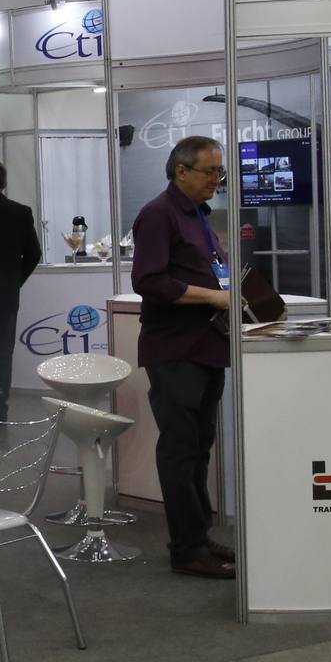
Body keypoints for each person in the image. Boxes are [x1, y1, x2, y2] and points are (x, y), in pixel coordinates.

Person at [131, 136, 236, 580]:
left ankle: (198, 535)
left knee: (199, 447)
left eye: (219, 171)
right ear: (181, 170)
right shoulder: (158, 214)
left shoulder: (198, 214)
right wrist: (211, 296)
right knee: (180, 447)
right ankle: (186, 549)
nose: (217, 179)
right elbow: (148, 281)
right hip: (176, 349)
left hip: (208, 346)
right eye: (210, 171)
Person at [0, 158, 42, 429]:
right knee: (2, 355)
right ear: (4, 183)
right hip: (6, 296)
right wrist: (15, 281)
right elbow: (34, 254)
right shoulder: (21, 212)